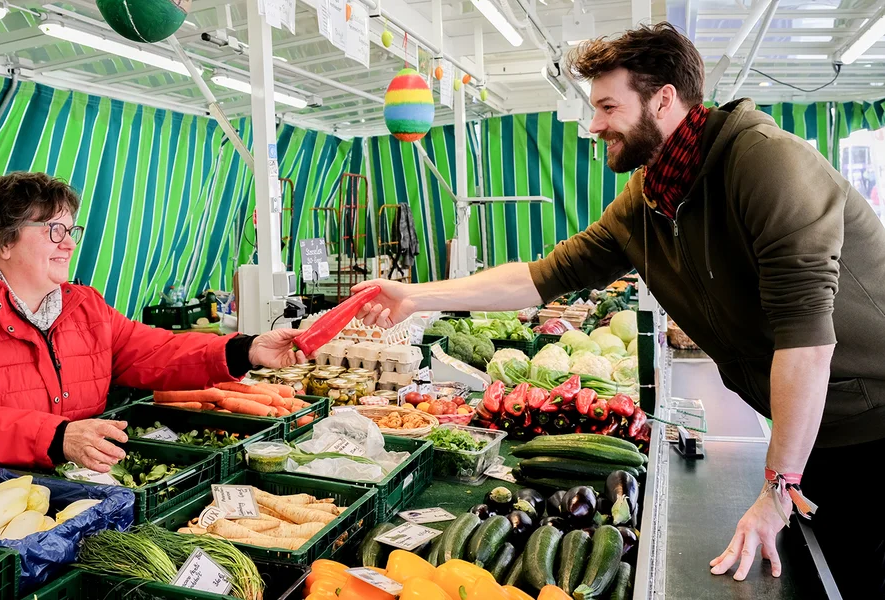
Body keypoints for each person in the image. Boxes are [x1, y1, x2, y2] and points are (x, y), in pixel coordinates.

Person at [353, 23, 885, 596]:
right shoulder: (650, 195)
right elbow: (543, 276)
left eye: (608, 106)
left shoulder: (767, 166)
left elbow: (806, 342)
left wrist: (777, 490)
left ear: (663, 99)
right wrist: (417, 296)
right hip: (816, 431)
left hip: (874, 423)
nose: (594, 125)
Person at [0, 172, 305, 477]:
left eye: (71, 230)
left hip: (54, 489)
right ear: (3, 238)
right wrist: (56, 436)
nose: (68, 243)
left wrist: (246, 350)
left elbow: (155, 351)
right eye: (53, 230)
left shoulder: (83, 306)